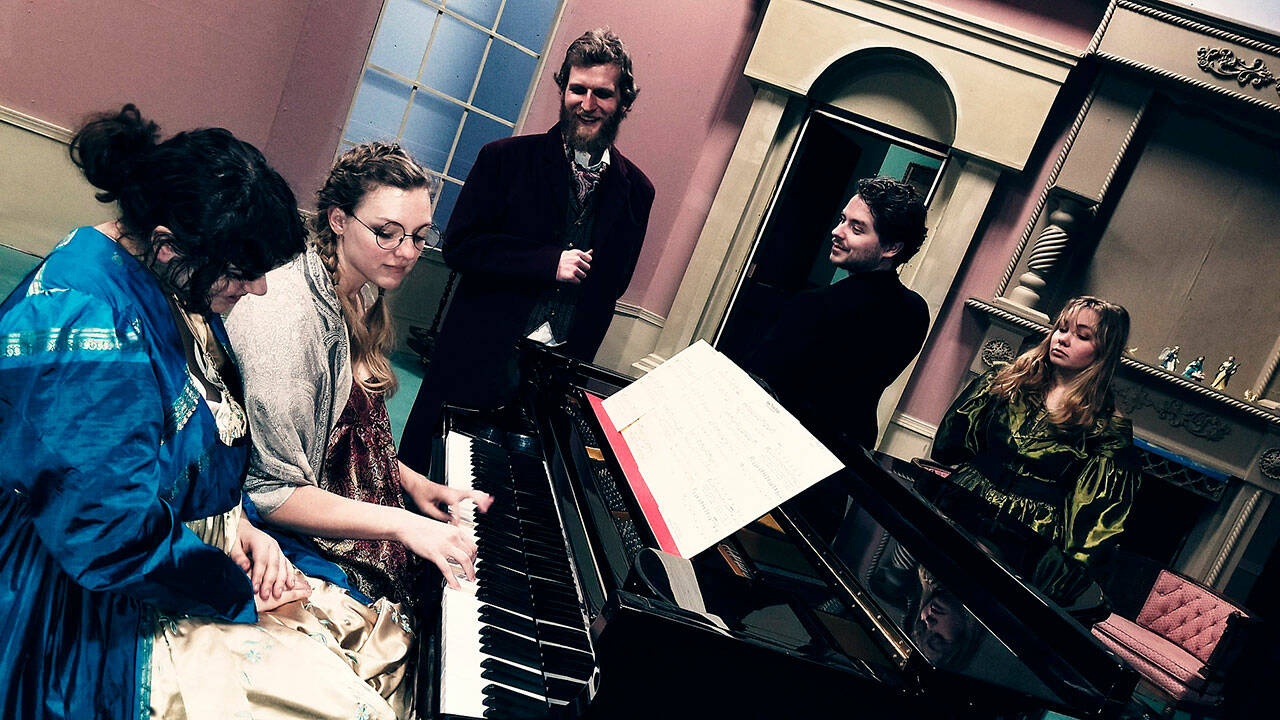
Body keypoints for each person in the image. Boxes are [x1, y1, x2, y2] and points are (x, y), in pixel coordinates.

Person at [0, 105, 402, 719]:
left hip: (171, 545)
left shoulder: (164, 277)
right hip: (80, 590)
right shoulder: (82, 318)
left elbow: (196, 439)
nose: (259, 290)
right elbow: (105, 535)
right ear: (167, 243)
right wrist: (232, 587)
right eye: (246, 275)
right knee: (341, 706)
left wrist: (237, 521)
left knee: (368, 638)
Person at [226, 143, 492, 611]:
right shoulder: (285, 320)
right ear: (338, 219)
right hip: (280, 533)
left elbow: (347, 438)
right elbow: (269, 492)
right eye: (387, 233)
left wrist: (412, 483)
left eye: (420, 236)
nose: (406, 252)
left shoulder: (359, 285)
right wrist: (402, 523)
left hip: (346, 499)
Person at [399, 28, 655, 472]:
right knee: (428, 475)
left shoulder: (638, 192)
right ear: (563, 89)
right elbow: (460, 246)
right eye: (577, 89)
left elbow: (611, 287)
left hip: (552, 381)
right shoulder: (504, 159)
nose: (587, 104)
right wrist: (546, 263)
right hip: (477, 354)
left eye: (603, 94)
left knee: (509, 501)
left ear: (624, 102)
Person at [746, 176, 930, 538]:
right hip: (844, 469)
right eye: (843, 220)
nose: (838, 231)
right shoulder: (916, 311)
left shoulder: (813, 306)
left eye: (856, 227)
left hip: (781, 469)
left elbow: (757, 386)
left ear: (891, 246)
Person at [931, 296, 1140, 581]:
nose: (1063, 339)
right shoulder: (1005, 380)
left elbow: (1094, 520)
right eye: (1062, 328)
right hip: (968, 494)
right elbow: (949, 446)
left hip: (1029, 527)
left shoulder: (1106, 428)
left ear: (1104, 351)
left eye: (1082, 335)